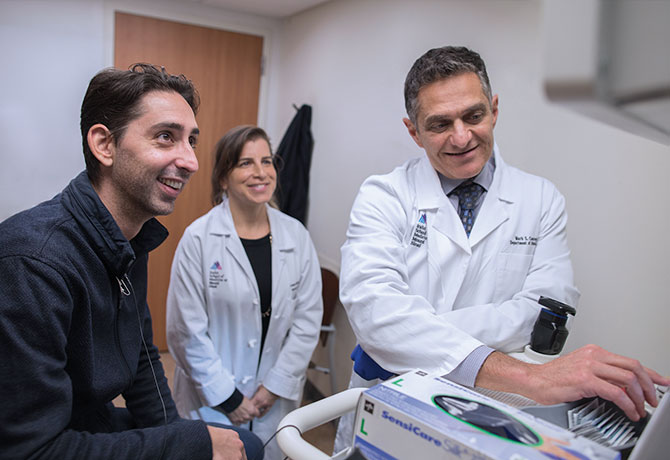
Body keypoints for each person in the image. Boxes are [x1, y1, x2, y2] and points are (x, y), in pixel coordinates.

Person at [334, 46, 670, 451]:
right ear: (413, 131)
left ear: (493, 110)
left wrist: (414, 332)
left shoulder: (540, 198)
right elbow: (376, 313)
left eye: (473, 116)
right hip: (389, 400)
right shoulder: (383, 196)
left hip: (491, 404)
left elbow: (546, 312)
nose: (461, 137)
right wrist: (530, 376)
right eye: (440, 124)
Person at [0, 64, 263, 460]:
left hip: (88, 419)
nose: (190, 160)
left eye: (191, 141)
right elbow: (31, 450)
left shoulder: (128, 238)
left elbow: (141, 355)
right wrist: (186, 444)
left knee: (246, 446)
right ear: (105, 145)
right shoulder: (33, 263)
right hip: (49, 442)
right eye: (165, 137)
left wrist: (174, 435)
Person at [166, 125, 323, 460]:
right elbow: (186, 331)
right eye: (246, 163)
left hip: (273, 397)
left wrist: (274, 386)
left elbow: (308, 320)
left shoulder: (296, 236)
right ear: (223, 178)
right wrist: (229, 398)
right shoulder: (199, 239)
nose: (260, 173)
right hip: (210, 398)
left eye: (266, 161)